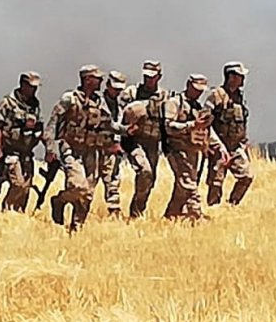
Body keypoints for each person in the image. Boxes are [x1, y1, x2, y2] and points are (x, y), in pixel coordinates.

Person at [43, 65, 109, 230]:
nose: (101, 81)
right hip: (71, 149)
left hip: (92, 151)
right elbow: (52, 123)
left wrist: (124, 131)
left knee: (88, 193)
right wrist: (50, 148)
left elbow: (108, 124)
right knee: (78, 187)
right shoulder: (69, 99)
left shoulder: (99, 102)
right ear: (87, 79)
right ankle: (59, 201)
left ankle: (77, 227)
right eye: (97, 78)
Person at [161, 74, 220, 220]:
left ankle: (171, 215)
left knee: (183, 187)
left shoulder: (197, 107)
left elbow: (206, 130)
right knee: (189, 184)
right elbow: (168, 126)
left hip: (193, 152)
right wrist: (192, 125)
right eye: (195, 89)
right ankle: (196, 214)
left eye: (200, 91)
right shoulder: (174, 103)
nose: (198, 93)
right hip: (176, 150)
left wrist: (218, 146)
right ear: (188, 85)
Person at [0, 71, 52, 211]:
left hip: (27, 153)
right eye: (31, 86)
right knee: (18, 184)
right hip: (11, 152)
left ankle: (19, 216)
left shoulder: (35, 105)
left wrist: (48, 148)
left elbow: (40, 128)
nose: (34, 90)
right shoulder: (8, 102)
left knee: (26, 188)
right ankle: (6, 210)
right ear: (23, 85)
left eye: (36, 87)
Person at [122, 59, 168, 219]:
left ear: (159, 77)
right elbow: (117, 117)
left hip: (154, 143)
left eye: (152, 77)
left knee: (150, 180)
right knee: (145, 171)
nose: (149, 80)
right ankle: (135, 212)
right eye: (146, 76)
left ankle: (138, 210)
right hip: (135, 142)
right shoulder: (130, 93)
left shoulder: (164, 97)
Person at [207, 61, 254, 206]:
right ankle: (213, 209)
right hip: (219, 148)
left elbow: (242, 122)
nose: (243, 79)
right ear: (231, 77)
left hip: (236, 147)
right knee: (216, 183)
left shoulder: (239, 97)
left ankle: (232, 205)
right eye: (240, 76)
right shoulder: (216, 95)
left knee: (247, 176)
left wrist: (244, 142)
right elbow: (205, 123)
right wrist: (217, 146)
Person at [90, 70, 129, 217]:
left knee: (113, 180)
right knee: (90, 181)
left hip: (113, 149)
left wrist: (117, 142)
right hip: (95, 147)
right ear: (107, 85)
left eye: (120, 89)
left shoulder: (121, 104)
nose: (117, 91)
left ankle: (114, 211)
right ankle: (82, 211)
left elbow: (119, 124)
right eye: (115, 88)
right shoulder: (96, 101)